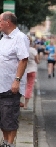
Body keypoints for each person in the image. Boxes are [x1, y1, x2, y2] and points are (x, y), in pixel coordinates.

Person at [0, 11, 29, 147]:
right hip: (1, 85)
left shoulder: (19, 37)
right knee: (3, 119)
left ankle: (10, 144)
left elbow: (23, 59)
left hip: (10, 86)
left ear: (7, 22)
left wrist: (17, 80)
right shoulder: (4, 38)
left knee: (10, 118)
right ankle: (6, 142)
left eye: (0, 21)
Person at [24, 37, 39, 110]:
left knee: (22, 86)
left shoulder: (22, 50)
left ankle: (19, 103)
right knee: (29, 86)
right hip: (32, 70)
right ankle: (26, 105)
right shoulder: (33, 50)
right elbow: (37, 61)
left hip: (23, 70)